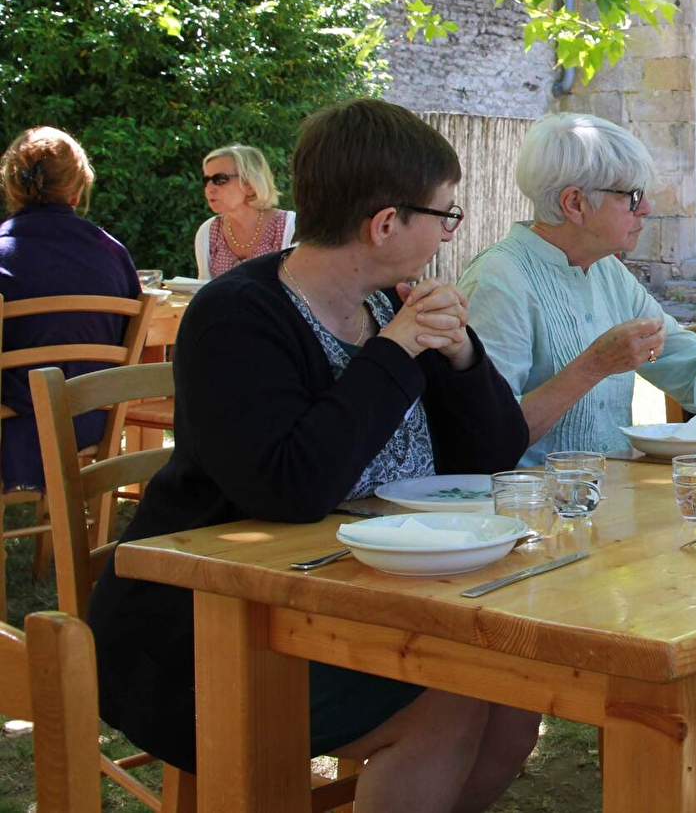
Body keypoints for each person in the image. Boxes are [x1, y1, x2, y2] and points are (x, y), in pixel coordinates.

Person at [89, 99, 538, 812]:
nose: (449, 233)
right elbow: (290, 488)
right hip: (209, 629)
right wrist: (394, 355)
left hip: (367, 599)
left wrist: (460, 357)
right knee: (449, 704)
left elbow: (495, 456)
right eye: (444, 215)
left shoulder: (388, 306)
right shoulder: (238, 316)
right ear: (385, 223)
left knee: (515, 695)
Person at [459, 112, 696, 766]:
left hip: (610, 514)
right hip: (529, 535)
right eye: (631, 197)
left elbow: (682, 355)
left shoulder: (603, 271)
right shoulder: (501, 282)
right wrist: (593, 365)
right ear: (575, 203)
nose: (647, 209)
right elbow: (485, 437)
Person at [0, 127, 140, 495]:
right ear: (77, 190)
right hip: (88, 420)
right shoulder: (112, 254)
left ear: (12, 188)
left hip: (13, 425)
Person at [195, 143, 297, 280]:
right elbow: (204, 287)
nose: (209, 188)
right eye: (206, 180)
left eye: (219, 179)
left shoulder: (289, 227)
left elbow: (300, 287)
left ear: (250, 185)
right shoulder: (208, 232)